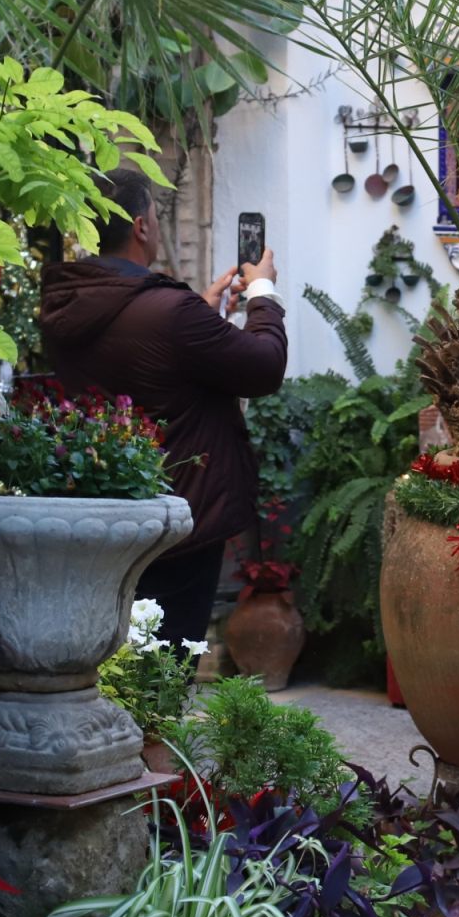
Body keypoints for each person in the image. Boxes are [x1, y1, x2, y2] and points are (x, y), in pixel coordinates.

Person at [39, 168, 288, 649]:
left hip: (107, 508)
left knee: (117, 662)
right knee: (166, 670)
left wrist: (199, 317)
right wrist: (263, 293)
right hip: (178, 513)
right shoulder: (170, 312)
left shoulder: (67, 302)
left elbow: (141, 359)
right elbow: (264, 368)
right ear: (141, 226)